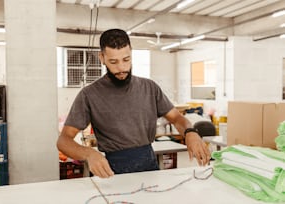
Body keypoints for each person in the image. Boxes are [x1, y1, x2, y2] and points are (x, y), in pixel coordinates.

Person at [57, 28, 211, 178]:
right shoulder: (89, 95)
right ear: (102, 58)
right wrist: (89, 154)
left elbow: (177, 118)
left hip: (149, 165)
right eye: (113, 62)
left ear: (131, 53)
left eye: (126, 60)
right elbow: (64, 141)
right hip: (111, 171)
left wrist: (190, 132)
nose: (122, 68)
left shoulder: (149, 88)